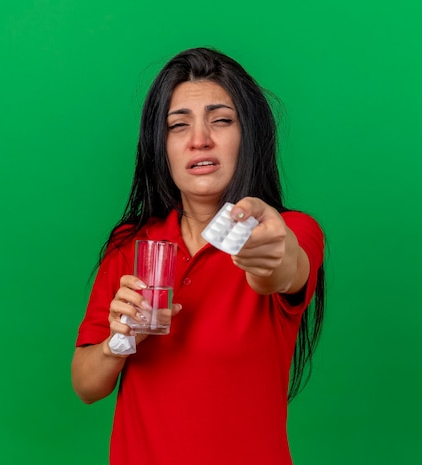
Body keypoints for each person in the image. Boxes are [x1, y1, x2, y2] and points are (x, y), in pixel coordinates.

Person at [71, 47, 325, 465]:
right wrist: (120, 342)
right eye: (178, 126)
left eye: (221, 120)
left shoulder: (290, 230)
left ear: (250, 135)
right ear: (160, 145)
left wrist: (266, 256)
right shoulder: (130, 244)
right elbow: (86, 385)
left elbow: (281, 269)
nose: (199, 139)